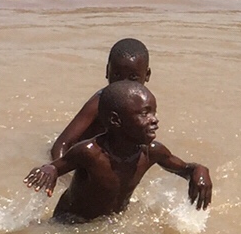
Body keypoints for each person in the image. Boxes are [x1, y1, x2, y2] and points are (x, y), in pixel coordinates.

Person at [26, 80, 212, 223]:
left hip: (110, 222)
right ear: (116, 120)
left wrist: (199, 170)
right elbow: (56, 167)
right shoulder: (90, 152)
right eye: (145, 113)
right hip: (71, 222)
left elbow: (185, 168)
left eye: (154, 112)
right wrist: (48, 171)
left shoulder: (152, 153)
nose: (154, 120)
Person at [48, 38, 150, 165]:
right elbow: (61, 144)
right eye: (117, 75)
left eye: (133, 77)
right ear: (107, 72)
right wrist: (59, 174)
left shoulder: (144, 105)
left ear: (147, 75)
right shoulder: (100, 102)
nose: (123, 84)